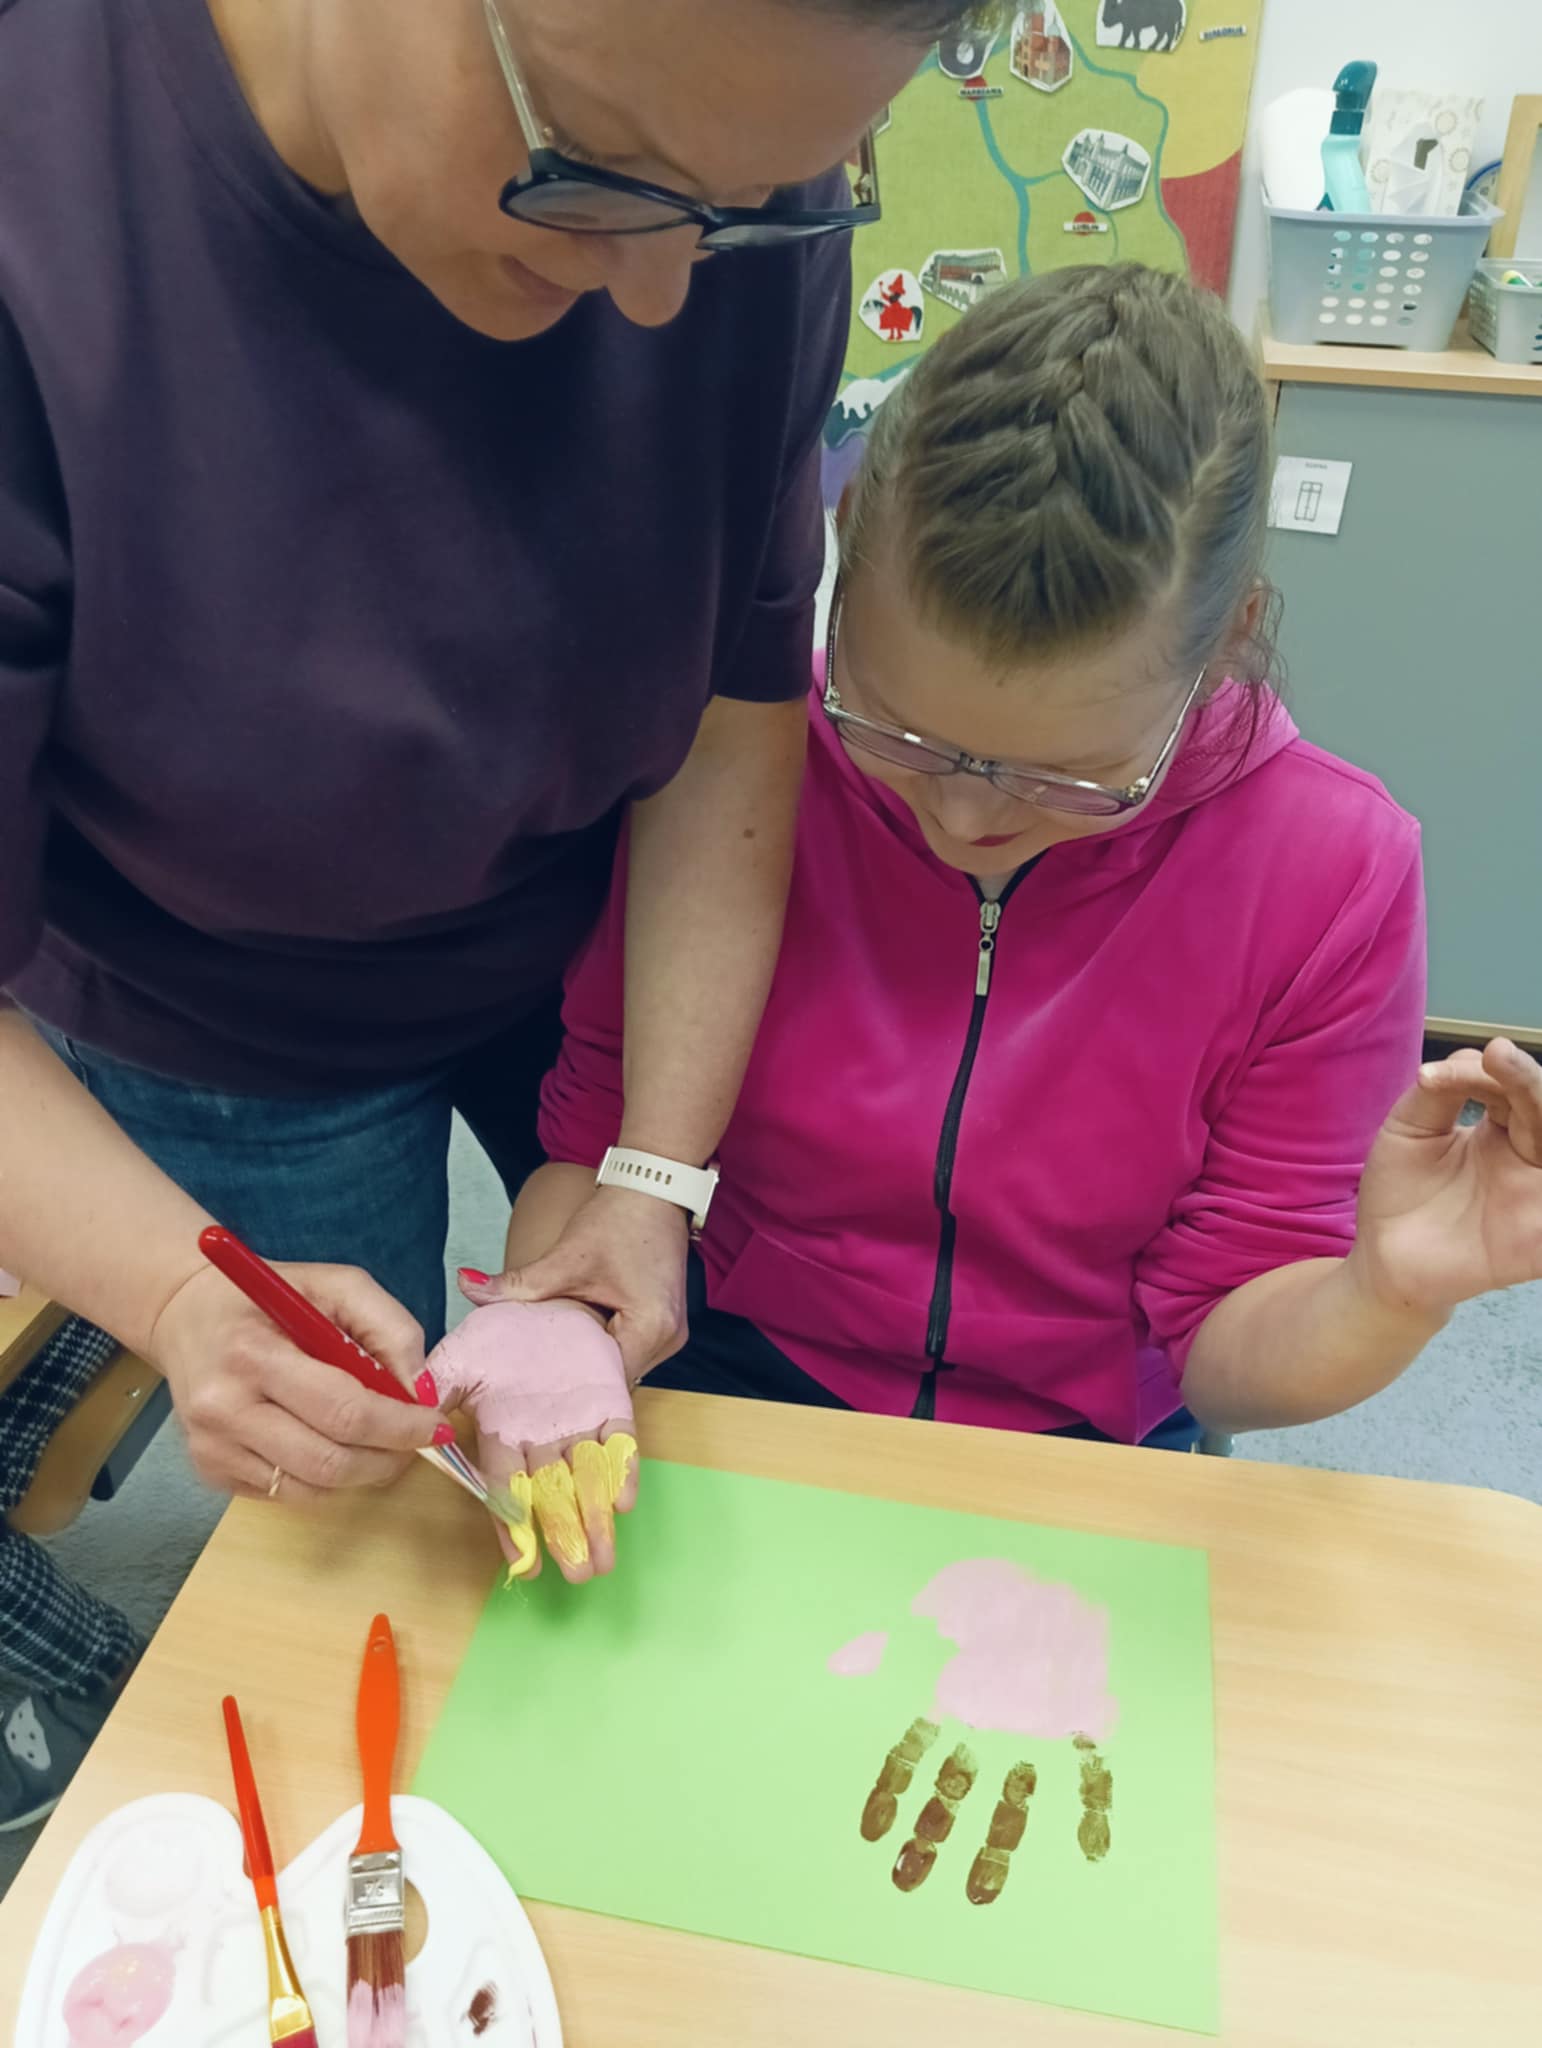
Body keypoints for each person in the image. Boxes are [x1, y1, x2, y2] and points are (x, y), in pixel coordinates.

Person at [0, 0, 949, 1827]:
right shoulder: (52, 198)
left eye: (751, 206)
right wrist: (181, 1302)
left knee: (672, 1414)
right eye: (599, 174)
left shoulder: (721, 178)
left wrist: (654, 1172)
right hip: (226, 1002)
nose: (657, 301)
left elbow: (733, 712)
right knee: (357, 1504)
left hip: (589, 936)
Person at [466, 264, 1542, 1512]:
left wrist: (1383, 1293)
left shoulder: (1334, 871)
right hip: (732, 1364)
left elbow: (1226, 1347)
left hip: (1078, 1439)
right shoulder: (744, 768)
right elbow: (592, 1139)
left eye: (1068, 778)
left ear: (1230, 638)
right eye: (898, 733)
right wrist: (562, 1319)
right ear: (842, 551)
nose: (965, 817)